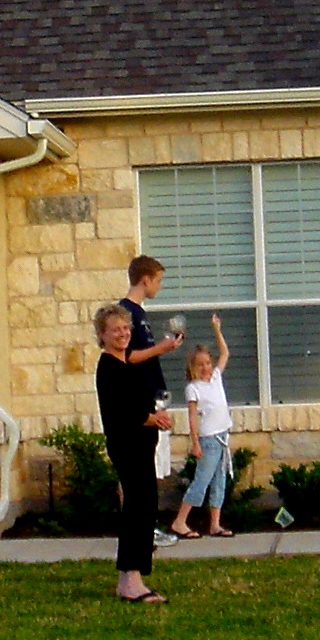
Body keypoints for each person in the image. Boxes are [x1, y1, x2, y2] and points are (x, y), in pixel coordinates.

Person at [93, 303, 173, 601]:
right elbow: (121, 412)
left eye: (126, 328)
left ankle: (132, 577)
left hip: (142, 445)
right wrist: (152, 419)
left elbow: (140, 402)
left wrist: (156, 416)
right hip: (127, 445)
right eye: (115, 329)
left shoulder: (127, 363)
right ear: (102, 335)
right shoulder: (108, 368)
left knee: (145, 507)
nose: (123, 333)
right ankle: (130, 580)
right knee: (137, 509)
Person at [119, 254, 184, 548]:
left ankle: (145, 529)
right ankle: (140, 532)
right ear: (145, 280)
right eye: (158, 280)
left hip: (152, 399)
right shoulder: (126, 313)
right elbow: (129, 357)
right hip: (139, 404)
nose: (159, 286)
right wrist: (163, 347)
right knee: (137, 474)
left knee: (149, 469)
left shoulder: (140, 314)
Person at [168, 314, 236, 539]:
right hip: (208, 440)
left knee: (219, 482)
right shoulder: (193, 388)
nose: (206, 367)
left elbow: (225, 354)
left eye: (208, 363)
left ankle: (215, 524)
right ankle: (180, 522)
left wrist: (217, 329)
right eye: (200, 364)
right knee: (202, 481)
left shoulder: (216, 377)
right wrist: (195, 443)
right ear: (193, 367)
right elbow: (192, 418)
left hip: (222, 437)